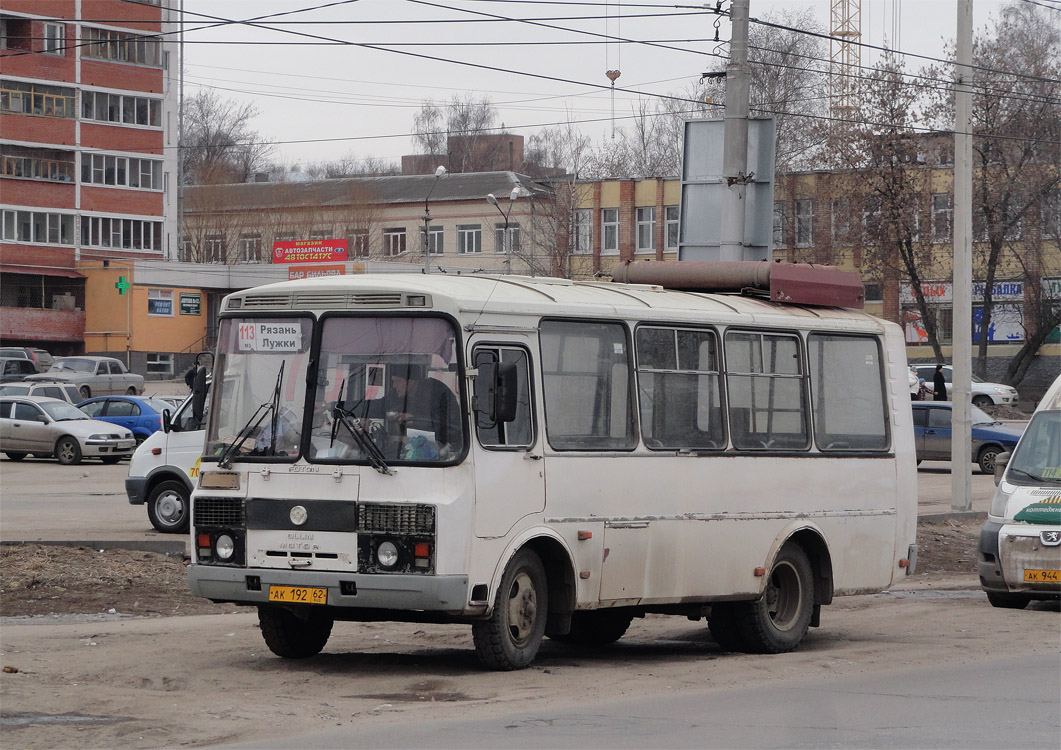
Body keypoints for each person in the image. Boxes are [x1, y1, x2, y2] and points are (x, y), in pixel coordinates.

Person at [385, 362, 462, 456]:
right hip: (411, 446)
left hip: (442, 448)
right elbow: (381, 405)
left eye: (398, 381)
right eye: (393, 381)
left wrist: (414, 420)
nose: (394, 385)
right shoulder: (396, 394)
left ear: (411, 381)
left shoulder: (434, 392)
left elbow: (445, 425)